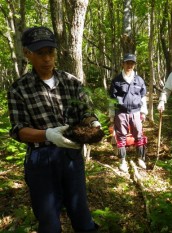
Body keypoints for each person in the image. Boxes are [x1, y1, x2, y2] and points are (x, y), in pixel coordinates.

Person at [7, 26, 99, 233]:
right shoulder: (19, 89)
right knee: (49, 222)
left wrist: (93, 122)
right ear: (27, 54)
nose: (47, 58)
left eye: (50, 52)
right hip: (40, 159)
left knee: (82, 215)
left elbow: (85, 111)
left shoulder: (71, 82)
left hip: (71, 155)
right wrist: (48, 134)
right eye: (40, 53)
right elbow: (18, 129)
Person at [109, 53, 148, 173]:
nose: (129, 65)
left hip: (136, 112)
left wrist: (144, 112)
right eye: (127, 63)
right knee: (120, 136)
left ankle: (140, 158)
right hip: (121, 112)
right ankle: (122, 161)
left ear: (134, 65)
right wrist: (111, 114)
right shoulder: (116, 80)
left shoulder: (139, 80)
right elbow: (112, 99)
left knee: (139, 135)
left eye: (131, 63)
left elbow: (143, 97)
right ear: (123, 64)